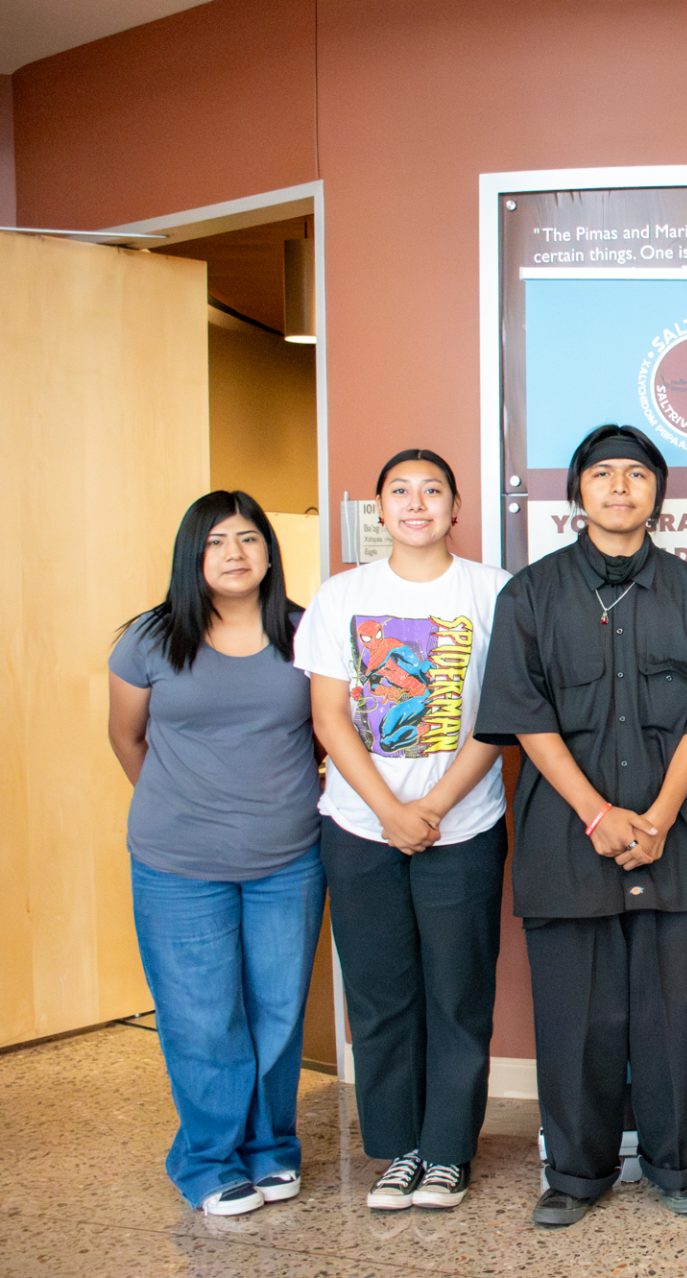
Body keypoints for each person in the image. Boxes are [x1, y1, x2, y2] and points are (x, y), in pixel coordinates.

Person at [474, 424, 687, 1227]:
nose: (620, 488)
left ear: (658, 492)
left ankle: (675, 1167)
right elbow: (526, 719)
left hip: (673, 841)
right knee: (575, 1021)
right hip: (568, 839)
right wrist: (597, 811)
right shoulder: (530, 594)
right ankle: (576, 1176)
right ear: (577, 492)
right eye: (602, 475)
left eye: (636, 475)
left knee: (666, 1019)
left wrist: (654, 818)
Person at [294, 449, 511, 1211]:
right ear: (380, 510)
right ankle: (398, 1148)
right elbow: (328, 715)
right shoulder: (341, 596)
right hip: (359, 829)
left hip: (465, 825)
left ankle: (448, 1151)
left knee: (458, 994)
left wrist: (435, 806)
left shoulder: (493, 592)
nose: (416, 504)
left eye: (432, 491)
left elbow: (502, 715)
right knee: (382, 995)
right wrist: (389, 811)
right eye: (400, 492)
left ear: (456, 507)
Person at [106, 491, 325, 1217]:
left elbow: (331, 735)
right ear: (191, 555)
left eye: (249, 538)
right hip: (177, 865)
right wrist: (186, 806)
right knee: (201, 1017)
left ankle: (270, 1149)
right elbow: (126, 738)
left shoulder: (305, 632)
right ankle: (206, 1158)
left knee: (278, 1013)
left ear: (269, 550)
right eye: (216, 542)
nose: (235, 553)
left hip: (288, 858)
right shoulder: (149, 639)